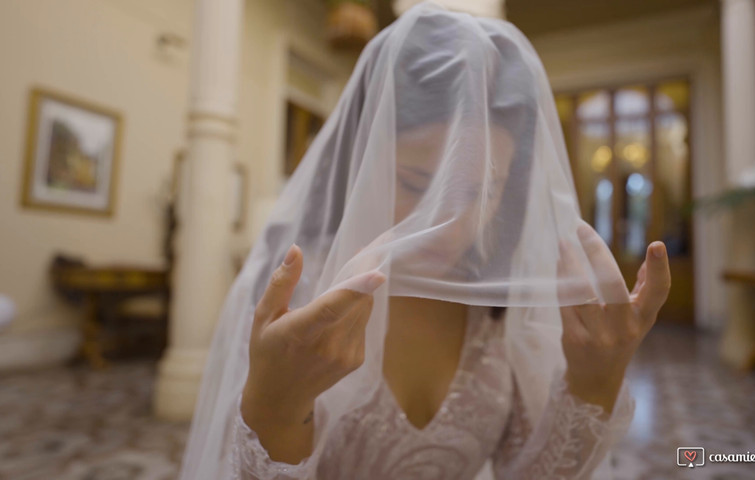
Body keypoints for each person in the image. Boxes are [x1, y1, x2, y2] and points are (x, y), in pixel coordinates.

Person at [179, 2, 671, 479]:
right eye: (418, 184)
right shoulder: (290, 305)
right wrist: (274, 409)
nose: (452, 227)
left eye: (484, 194)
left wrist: (594, 383)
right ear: (361, 167)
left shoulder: (498, 308)